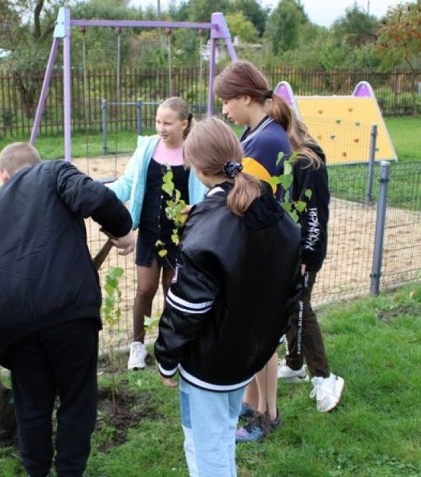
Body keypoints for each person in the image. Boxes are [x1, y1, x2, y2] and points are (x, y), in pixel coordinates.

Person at [0, 142, 134, 477]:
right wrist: (123, 230)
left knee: (32, 405)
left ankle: (37, 473)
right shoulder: (52, 171)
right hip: (66, 312)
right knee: (76, 398)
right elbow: (97, 197)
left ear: (3, 175)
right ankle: (70, 471)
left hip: (12, 326)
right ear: (35, 163)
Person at [154, 117, 301, 476]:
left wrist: (165, 358)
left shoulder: (207, 223)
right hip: (245, 355)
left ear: (196, 166)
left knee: (209, 454)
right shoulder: (267, 208)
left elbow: (187, 305)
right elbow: (289, 286)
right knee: (216, 438)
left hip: (210, 364)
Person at [214, 59, 307, 442]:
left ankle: (266, 415)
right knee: (255, 334)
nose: (223, 109)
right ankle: (254, 408)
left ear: (246, 97)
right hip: (259, 247)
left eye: (226, 101)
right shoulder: (259, 132)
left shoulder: (266, 140)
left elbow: (244, 197)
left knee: (261, 338)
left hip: (262, 251)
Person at [107, 97, 207, 370]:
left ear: (184, 124)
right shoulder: (147, 148)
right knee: (145, 289)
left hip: (182, 235)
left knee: (171, 290)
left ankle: (168, 347)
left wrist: (196, 210)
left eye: (167, 122)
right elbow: (128, 183)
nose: (161, 128)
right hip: (151, 231)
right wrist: (100, 194)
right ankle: (137, 349)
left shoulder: (194, 152)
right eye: (157, 122)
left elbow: (206, 193)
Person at [277, 119, 345, 413]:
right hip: (287, 249)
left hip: (305, 253)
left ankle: (324, 377)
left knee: (300, 306)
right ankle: (294, 365)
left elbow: (314, 214)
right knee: (290, 304)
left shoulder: (308, 163)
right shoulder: (287, 160)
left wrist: (307, 254)